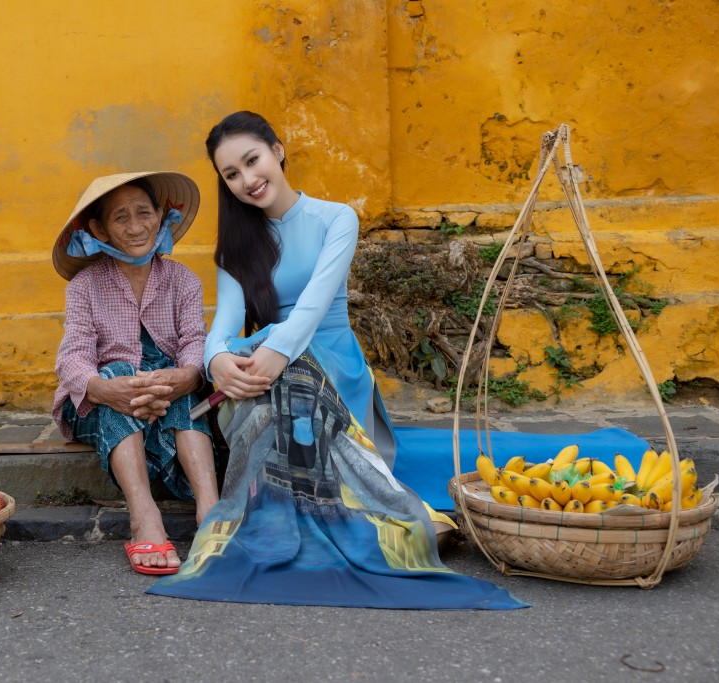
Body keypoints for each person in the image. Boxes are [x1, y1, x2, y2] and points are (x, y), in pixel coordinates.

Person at [147, 112, 525, 609]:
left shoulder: (336, 218)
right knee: (265, 392)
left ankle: (353, 526)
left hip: (329, 359)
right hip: (262, 361)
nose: (246, 179)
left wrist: (273, 356)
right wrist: (217, 361)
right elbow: (222, 327)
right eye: (231, 174)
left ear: (278, 151)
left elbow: (313, 307)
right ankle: (299, 527)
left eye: (252, 160)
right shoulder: (237, 247)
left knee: (293, 382)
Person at [51, 172, 219, 575]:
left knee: (173, 378)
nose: (136, 226)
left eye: (144, 213)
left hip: (167, 398)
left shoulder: (183, 281)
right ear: (99, 229)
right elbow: (73, 355)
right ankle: (144, 516)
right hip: (99, 404)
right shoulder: (85, 286)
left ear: (162, 216)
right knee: (123, 370)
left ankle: (211, 511)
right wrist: (105, 388)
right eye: (120, 218)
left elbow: (196, 341)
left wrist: (188, 376)